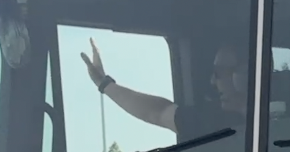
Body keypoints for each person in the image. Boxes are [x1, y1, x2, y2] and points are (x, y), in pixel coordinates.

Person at [82, 38, 247, 139]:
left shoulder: (272, 123)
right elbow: (158, 112)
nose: (212, 81)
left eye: (218, 73)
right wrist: (104, 84)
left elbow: (159, 113)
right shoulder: (215, 123)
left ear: (244, 73)